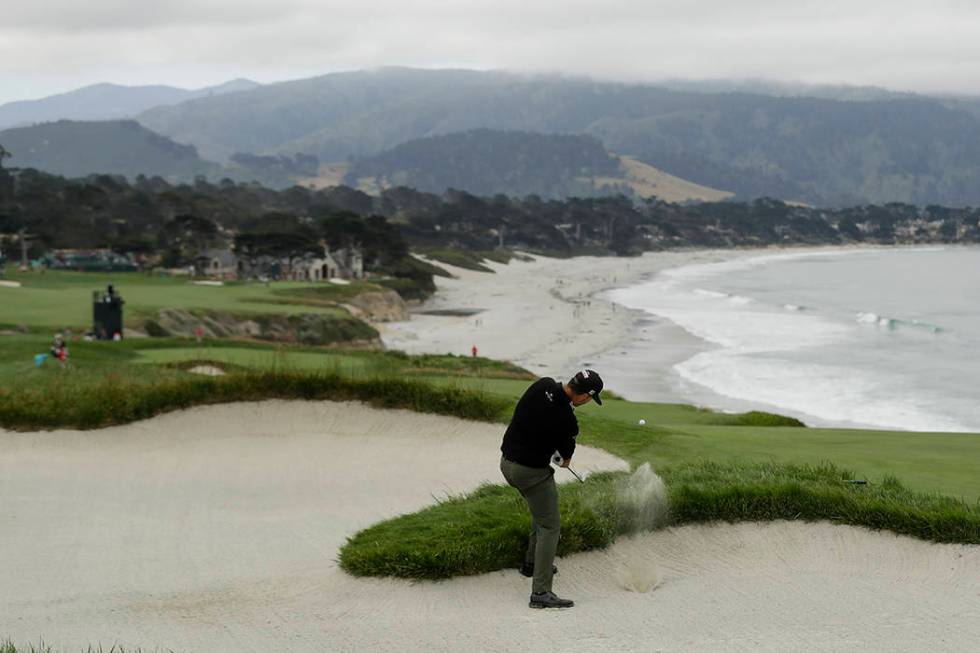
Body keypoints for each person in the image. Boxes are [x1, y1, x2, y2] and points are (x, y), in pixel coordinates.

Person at [499, 369, 604, 609]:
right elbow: (564, 461)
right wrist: (560, 451)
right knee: (550, 526)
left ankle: (531, 564)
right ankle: (541, 593)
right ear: (585, 396)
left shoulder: (541, 385)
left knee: (541, 512)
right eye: (589, 399)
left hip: (506, 464)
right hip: (530, 473)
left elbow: (530, 415)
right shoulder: (567, 420)